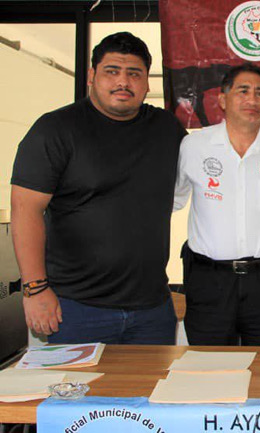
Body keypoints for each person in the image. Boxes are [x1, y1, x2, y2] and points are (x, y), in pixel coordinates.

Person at [11, 32, 187, 344]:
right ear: (92, 75)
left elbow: (216, 157)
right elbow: (25, 210)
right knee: (75, 394)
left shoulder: (167, 129)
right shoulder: (55, 130)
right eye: (112, 71)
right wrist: (35, 289)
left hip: (151, 310)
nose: (123, 82)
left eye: (134, 74)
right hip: (74, 309)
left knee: (149, 393)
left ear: (147, 82)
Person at [173, 63, 260, 346]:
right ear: (223, 100)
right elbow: (173, 199)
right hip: (208, 280)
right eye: (243, 91)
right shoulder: (194, 146)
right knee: (211, 373)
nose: (252, 100)